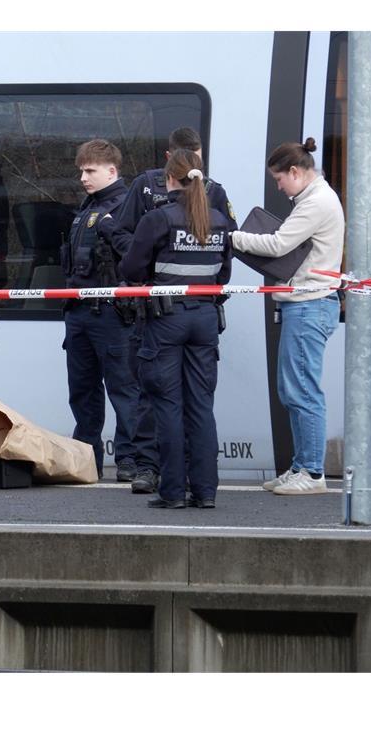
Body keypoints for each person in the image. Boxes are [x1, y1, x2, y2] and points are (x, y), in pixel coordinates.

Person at [109, 128, 235, 494]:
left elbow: (130, 269)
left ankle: (172, 492)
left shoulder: (159, 218)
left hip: (165, 319)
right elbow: (224, 273)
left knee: (163, 401)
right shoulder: (220, 221)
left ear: (169, 177)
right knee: (200, 405)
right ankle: (206, 491)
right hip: (206, 318)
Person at [231, 138, 345, 496]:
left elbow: (279, 245)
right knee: (293, 389)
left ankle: (311, 473)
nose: (279, 187)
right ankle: (300, 466)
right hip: (306, 304)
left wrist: (233, 238)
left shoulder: (316, 202)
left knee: (302, 391)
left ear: (295, 172)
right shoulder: (315, 198)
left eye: (280, 180)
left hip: (309, 304)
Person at [61, 139, 147, 482]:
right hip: (80, 311)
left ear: (112, 170)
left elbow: (135, 257)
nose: (84, 177)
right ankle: (86, 457)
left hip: (114, 313)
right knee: (82, 390)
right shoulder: (86, 208)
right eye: (81, 170)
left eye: (90, 170)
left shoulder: (127, 206)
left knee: (124, 389)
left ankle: (130, 459)